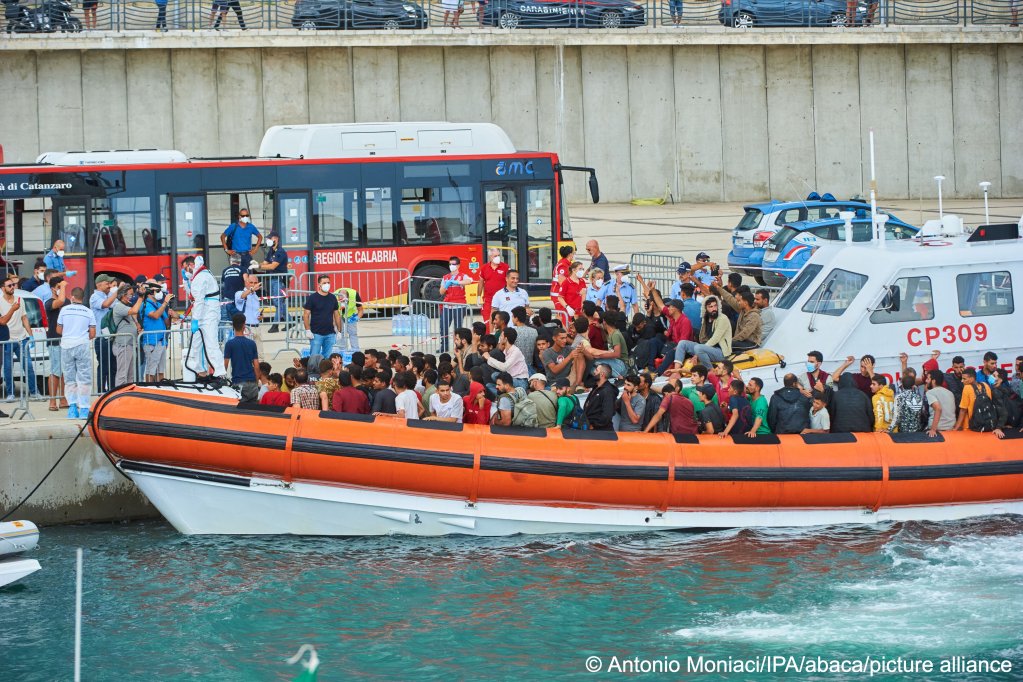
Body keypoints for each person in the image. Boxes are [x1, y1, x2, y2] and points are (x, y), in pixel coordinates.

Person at [56, 287, 96, 419]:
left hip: (66, 345)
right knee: (84, 377)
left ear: (72, 297)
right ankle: (84, 408)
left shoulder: (64, 310)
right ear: (82, 298)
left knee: (69, 378)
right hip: (82, 345)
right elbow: (92, 333)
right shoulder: (88, 312)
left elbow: (59, 330)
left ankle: (72, 408)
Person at [674, 295, 731, 369]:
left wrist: (697, 354)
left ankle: (710, 370)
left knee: (698, 348)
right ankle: (676, 371)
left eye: (715, 306)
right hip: (706, 347)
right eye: (710, 307)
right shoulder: (706, 318)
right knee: (682, 343)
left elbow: (715, 339)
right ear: (705, 308)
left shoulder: (722, 318)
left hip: (721, 352)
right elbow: (703, 338)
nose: (714, 309)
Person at [141, 280, 177, 383]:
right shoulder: (145, 305)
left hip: (161, 341)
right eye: (157, 291)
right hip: (151, 342)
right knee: (151, 370)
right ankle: (149, 389)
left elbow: (167, 323)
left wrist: (171, 315)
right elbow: (155, 315)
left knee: (161, 370)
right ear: (150, 292)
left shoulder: (158, 304)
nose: (160, 293)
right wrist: (165, 303)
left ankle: (160, 387)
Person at [110, 283, 144, 387]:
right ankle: (119, 395)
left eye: (133, 294)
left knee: (130, 375)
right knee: (122, 375)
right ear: (123, 295)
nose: (132, 297)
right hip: (123, 345)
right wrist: (141, 297)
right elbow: (135, 310)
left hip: (130, 345)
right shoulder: (119, 307)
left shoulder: (125, 307)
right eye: (130, 295)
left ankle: (128, 394)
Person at [257, 231, 290, 333]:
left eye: (269, 238)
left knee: (278, 302)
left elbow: (272, 266)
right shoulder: (271, 251)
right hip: (272, 279)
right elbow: (265, 263)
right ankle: (290, 321)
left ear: (276, 239)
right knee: (278, 302)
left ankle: (275, 325)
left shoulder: (280, 252)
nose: (268, 240)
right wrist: (257, 264)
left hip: (279, 280)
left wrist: (259, 266)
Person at [44, 276, 69, 411]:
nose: (62, 289)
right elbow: (60, 301)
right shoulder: (49, 303)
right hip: (54, 340)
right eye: (59, 287)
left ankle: (63, 399)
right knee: (55, 371)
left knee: (64, 372)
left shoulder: (67, 301)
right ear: (53, 289)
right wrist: (63, 286)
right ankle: (52, 401)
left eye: (63, 287)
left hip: (66, 340)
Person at [90, 274, 118, 392]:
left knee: (113, 366)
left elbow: (117, 306)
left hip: (112, 337)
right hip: (101, 338)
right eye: (107, 283)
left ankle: (112, 391)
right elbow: (105, 304)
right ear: (99, 285)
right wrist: (117, 292)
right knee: (104, 366)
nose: (109, 286)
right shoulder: (94, 297)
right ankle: (101, 392)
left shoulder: (110, 295)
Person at [955, 368, 1002, 437]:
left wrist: (956, 428)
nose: (962, 381)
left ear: (972, 378)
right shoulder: (985, 385)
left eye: (964, 379)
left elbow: (963, 410)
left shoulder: (967, 388)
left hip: (972, 427)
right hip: (989, 425)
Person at [303, 274, 341, 361]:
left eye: (328, 282)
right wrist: (308, 330)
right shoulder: (312, 298)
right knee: (314, 358)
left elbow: (336, 314)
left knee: (327, 359)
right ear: (319, 285)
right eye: (324, 283)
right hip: (316, 334)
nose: (327, 284)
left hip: (330, 333)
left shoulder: (332, 298)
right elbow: (305, 315)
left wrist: (339, 331)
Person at [439, 256, 473, 354]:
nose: (451, 266)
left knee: (457, 328)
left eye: (453, 264)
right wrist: (446, 285)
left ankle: (458, 347)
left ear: (458, 265)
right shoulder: (445, 277)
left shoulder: (463, 276)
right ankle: (444, 346)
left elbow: (469, 281)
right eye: (450, 264)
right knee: (443, 326)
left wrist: (457, 282)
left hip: (459, 305)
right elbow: (441, 292)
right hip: (447, 305)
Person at [223, 312, 259, 389]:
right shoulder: (252, 343)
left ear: (233, 326)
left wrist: (222, 380)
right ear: (244, 325)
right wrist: (256, 381)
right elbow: (256, 365)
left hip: (237, 381)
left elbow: (225, 364)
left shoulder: (229, 344)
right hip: (251, 381)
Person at [478, 248, 510, 329]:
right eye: (495, 256)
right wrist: (478, 297)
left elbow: (510, 282)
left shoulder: (505, 267)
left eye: (498, 255)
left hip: (502, 299)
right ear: (490, 257)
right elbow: (481, 282)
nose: (497, 257)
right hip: (488, 300)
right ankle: (490, 336)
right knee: (488, 323)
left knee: (502, 323)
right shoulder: (484, 268)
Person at [234, 273, 264, 359]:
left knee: (260, 357)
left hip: (257, 328)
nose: (253, 285)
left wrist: (260, 316)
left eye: (255, 283)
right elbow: (242, 296)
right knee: (247, 356)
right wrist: (252, 289)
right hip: (246, 328)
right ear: (246, 283)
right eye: (251, 282)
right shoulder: (239, 293)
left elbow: (255, 312)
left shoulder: (255, 296)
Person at [583, 364, 617, 431]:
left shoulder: (608, 391)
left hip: (601, 432)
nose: (594, 372)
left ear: (602, 374)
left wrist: (594, 425)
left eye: (596, 370)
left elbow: (607, 415)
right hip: (591, 429)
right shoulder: (596, 387)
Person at [220, 254, 244, 343]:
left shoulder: (225, 270)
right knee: (236, 321)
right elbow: (245, 280)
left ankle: (219, 341)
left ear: (231, 261)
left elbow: (224, 282)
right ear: (239, 261)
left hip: (226, 299)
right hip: (237, 300)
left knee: (223, 320)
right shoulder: (243, 269)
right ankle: (236, 341)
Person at [924, 370, 956, 437]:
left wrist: (933, 430)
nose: (926, 381)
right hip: (951, 428)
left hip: (937, 429)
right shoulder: (950, 393)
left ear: (933, 381)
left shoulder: (930, 393)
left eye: (928, 379)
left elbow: (938, 408)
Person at [550, 245, 577, 318]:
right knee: (562, 316)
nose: (574, 255)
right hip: (558, 295)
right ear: (570, 254)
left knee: (563, 315)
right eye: (573, 253)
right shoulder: (563, 265)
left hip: (561, 294)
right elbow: (562, 282)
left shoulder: (567, 264)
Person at [334, 286, 363, 352]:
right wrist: (336, 327)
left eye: (344, 301)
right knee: (339, 332)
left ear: (348, 298)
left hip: (351, 315)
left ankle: (355, 350)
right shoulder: (334, 296)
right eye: (340, 300)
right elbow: (332, 313)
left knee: (353, 332)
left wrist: (356, 318)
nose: (342, 302)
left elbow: (361, 310)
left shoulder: (355, 295)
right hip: (338, 314)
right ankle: (342, 350)